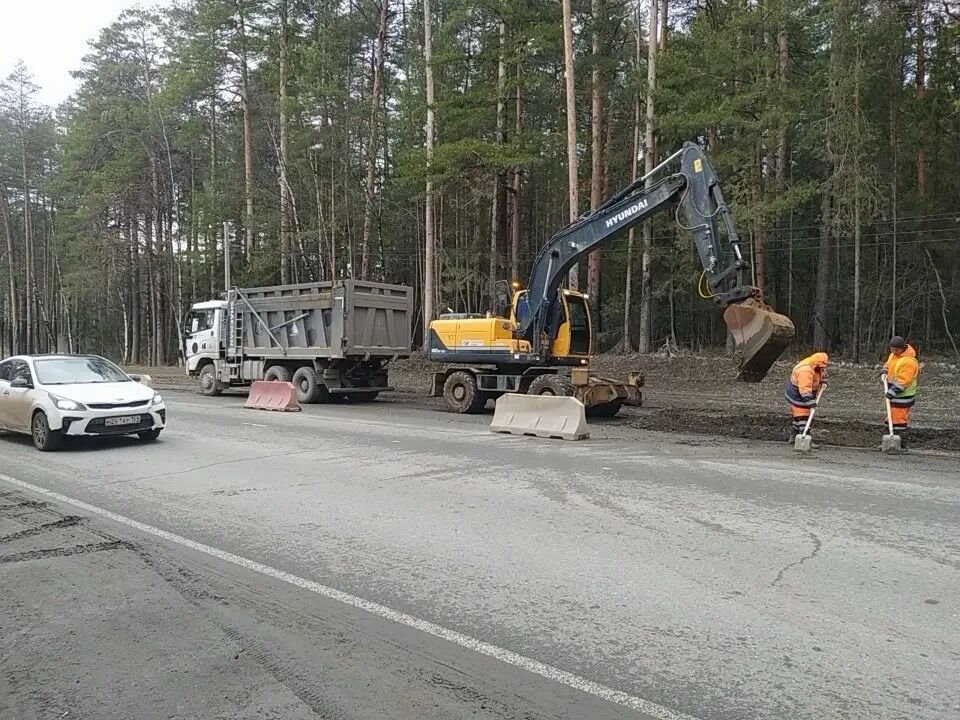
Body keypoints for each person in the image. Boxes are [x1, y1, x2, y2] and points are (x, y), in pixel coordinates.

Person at [883, 336, 919, 449]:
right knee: (891, 417)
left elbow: (904, 381)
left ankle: (900, 444)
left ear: (902, 348)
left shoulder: (909, 362)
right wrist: (884, 371)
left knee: (898, 421)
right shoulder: (893, 356)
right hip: (893, 394)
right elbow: (888, 365)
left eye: (896, 350)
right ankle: (890, 440)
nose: (893, 352)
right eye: (891, 349)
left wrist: (892, 392)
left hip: (903, 396)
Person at [784, 352, 829, 440]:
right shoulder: (805, 370)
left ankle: (794, 437)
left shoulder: (816, 366)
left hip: (801, 394)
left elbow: (818, 376)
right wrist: (811, 403)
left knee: (798, 417)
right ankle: (804, 437)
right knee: (803, 416)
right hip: (797, 395)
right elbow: (805, 390)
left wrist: (822, 382)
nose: (823, 368)